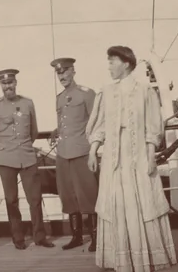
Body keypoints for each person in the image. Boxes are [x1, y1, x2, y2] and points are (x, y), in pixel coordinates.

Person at [85, 45, 178, 272]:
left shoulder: (145, 91)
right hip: (113, 156)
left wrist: (150, 155)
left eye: (112, 61)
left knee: (141, 200)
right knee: (116, 201)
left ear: (126, 63)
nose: (109, 67)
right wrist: (92, 151)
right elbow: (100, 126)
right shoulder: (106, 92)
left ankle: (145, 257)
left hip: (136, 155)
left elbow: (153, 126)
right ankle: (121, 258)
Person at [0, 69, 54, 249]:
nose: (8, 87)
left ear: (15, 83)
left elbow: (34, 131)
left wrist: (24, 146)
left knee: (35, 198)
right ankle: (18, 238)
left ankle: (39, 236)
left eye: (11, 83)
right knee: (11, 199)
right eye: (4, 84)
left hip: (27, 157)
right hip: (5, 159)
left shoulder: (27, 103)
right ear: (1, 85)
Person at [49, 57, 100, 251]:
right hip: (63, 153)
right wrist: (56, 131)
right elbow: (66, 123)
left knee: (89, 195)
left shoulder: (87, 94)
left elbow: (95, 122)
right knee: (68, 196)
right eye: (59, 73)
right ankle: (76, 237)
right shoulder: (60, 97)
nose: (62, 76)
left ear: (73, 71)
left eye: (65, 72)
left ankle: (96, 238)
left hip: (82, 152)